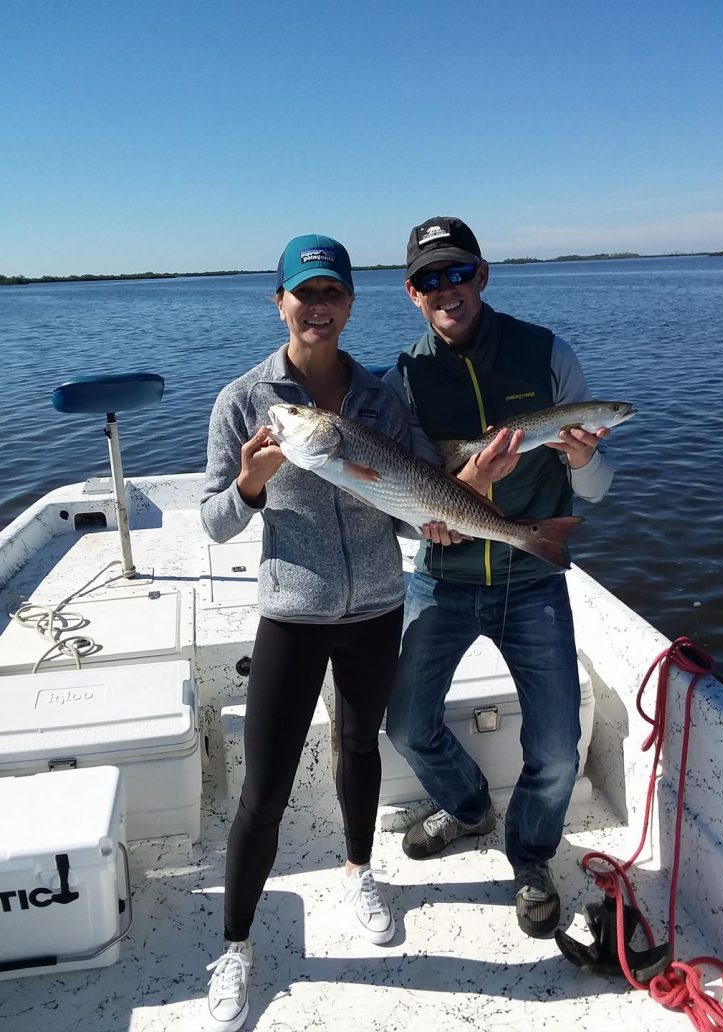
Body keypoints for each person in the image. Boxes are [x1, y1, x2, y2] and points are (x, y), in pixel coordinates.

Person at [384, 216, 616, 940]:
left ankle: (531, 857)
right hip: (443, 577)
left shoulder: (547, 354)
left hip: (532, 576)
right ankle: (467, 805)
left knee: (553, 749)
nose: (447, 289)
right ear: (412, 293)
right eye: (430, 278)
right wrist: (425, 520)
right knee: (405, 723)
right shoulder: (403, 378)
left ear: (483, 275)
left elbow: (599, 491)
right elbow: (396, 498)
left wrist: (580, 459)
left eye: (458, 272)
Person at [200, 235, 410, 1032]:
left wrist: (460, 507)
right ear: (278, 302)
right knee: (265, 790)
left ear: (351, 304)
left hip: (378, 606)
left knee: (361, 748)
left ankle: (359, 871)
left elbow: (421, 484)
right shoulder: (244, 401)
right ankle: (236, 944)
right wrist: (252, 484)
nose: (318, 308)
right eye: (303, 294)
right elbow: (214, 521)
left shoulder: (385, 399)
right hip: (292, 610)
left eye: (333, 294)